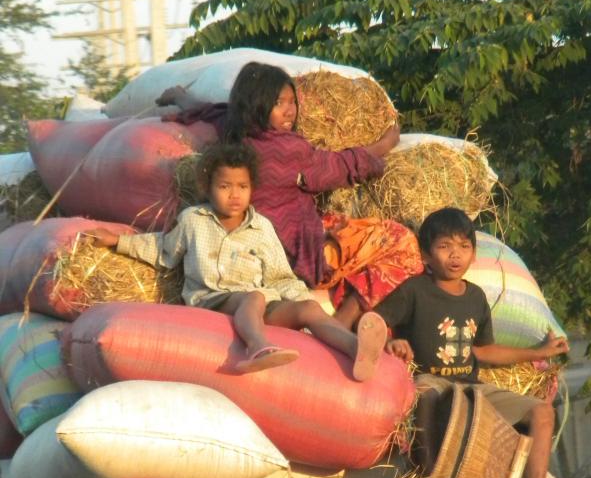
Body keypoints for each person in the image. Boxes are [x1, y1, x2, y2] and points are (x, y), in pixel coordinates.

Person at [84, 142, 388, 381]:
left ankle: (354, 347)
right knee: (253, 297)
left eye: (242, 187)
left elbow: (281, 277)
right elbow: (163, 249)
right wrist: (119, 241)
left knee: (306, 307)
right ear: (208, 188)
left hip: (259, 303)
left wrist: (299, 304)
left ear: (252, 189)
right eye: (225, 186)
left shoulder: (262, 227)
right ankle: (257, 347)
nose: (234, 195)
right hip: (212, 300)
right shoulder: (193, 221)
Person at [156, 61, 424, 328]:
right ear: (257, 105)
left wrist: (181, 97)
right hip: (295, 255)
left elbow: (211, 111)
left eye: (291, 101)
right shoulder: (286, 150)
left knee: (343, 224)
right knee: (400, 241)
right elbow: (338, 167)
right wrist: (383, 145)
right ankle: (343, 321)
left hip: (259, 250)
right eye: (279, 103)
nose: (290, 111)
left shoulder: (233, 131)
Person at [374, 206, 570, 478]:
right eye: (445, 246)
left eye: (464, 247)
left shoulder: (476, 297)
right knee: (424, 394)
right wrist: (391, 344)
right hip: (431, 382)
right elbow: (377, 323)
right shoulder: (414, 290)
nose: (455, 255)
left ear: (474, 254)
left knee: (542, 413)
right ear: (425, 254)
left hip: (471, 390)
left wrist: (537, 352)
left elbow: (484, 350)